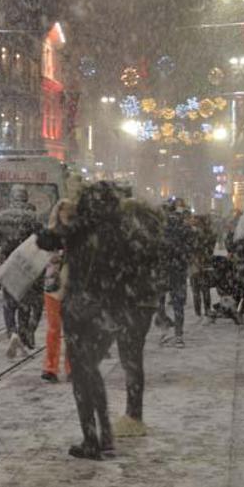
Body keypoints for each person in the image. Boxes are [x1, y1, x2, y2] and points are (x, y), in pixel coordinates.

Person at [37, 181, 123, 460]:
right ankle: (106, 434)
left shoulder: (82, 227)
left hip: (80, 310)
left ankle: (91, 438)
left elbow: (45, 240)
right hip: (110, 312)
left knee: (82, 377)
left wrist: (58, 224)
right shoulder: (116, 230)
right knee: (92, 371)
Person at [112, 197, 166, 439]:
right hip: (145, 301)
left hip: (128, 301)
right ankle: (134, 413)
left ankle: (133, 416)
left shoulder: (128, 237)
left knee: (130, 358)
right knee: (133, 356)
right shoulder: (153, 234)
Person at [0, 184, 44, 356]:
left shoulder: (1, 216)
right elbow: (41, 241)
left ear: (12, 197)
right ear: (25, 197)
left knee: (9, 304)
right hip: (27, 264)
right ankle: (24, 334)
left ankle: (12, 332)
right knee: (25, 303)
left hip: (9, 264)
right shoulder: (33, 217)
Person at [41, 200, 74, 383]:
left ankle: (71, 368)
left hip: (72, 287)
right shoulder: (50, 233)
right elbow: (41, 253)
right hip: (53, 285)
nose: (65, 215)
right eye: (62, 211)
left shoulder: (79, 234)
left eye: (68, 212)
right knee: (54, 328)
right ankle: (50, 367)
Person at [159, 198, 193, 348]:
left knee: (160, 302)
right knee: (178, 304)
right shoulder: (185, 228)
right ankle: (179, 334)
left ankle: (164, 331)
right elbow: (190, 248)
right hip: (179, 269)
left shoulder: (161, 227)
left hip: (164, 270)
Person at [189, 214, 217, 319]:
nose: (192, 220)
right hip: (205, 262)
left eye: (195, 219)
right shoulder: (209, 233)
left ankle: (199, 311)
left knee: (196, 288)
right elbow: (210, 247)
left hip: (197, 262)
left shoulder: (195, 233)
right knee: (204, 288)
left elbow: (193, 247)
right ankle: (206, 309)